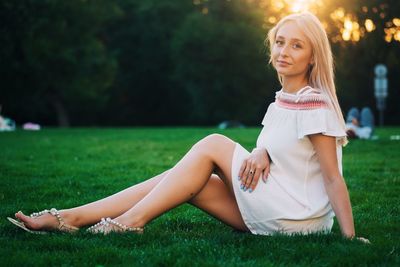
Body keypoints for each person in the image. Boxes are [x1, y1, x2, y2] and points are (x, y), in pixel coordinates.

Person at [8, 12, 369, 242]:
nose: (283, 51)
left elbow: (332, 177)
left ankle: (129, 222)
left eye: (296, 45)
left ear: (312, 56)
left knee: (212, 143)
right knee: (183, 178)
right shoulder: (282, 101)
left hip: (297, 218)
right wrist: (262, 151)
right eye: (279, 42)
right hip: (274, 206)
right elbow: (289, 148)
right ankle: (71, 218)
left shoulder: (316, 103)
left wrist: (350, 237)